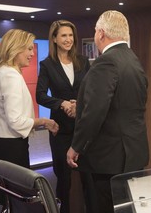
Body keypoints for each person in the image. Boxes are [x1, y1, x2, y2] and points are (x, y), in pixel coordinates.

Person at [67, 10, 149, 213]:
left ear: (101, 33)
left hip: (108, 160)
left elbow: (95, 113)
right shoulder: (133, 60)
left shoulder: (106, 62)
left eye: (95, 32)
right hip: (133, 154)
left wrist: (75, 147)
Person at [0, 29, 59, 212]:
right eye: (28, 49)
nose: (32, 53)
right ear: (15, 48)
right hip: (11, 149)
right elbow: (16, 121)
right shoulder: (10, 76)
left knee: (10, 202)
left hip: (1, 145)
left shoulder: (1, 72)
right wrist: (44, 121)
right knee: (19, 202)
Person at [36, 20, 96, 213]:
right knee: (63, 180)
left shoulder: (83, 61)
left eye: (71, 35)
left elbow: (91, 90)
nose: (68, 39)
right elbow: (40, 95)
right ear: (54, 38)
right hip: (60, 131)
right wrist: (61, 103)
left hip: (82, 129)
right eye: (63, 35)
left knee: (89, 179)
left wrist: (78, 104)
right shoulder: (47, 65)